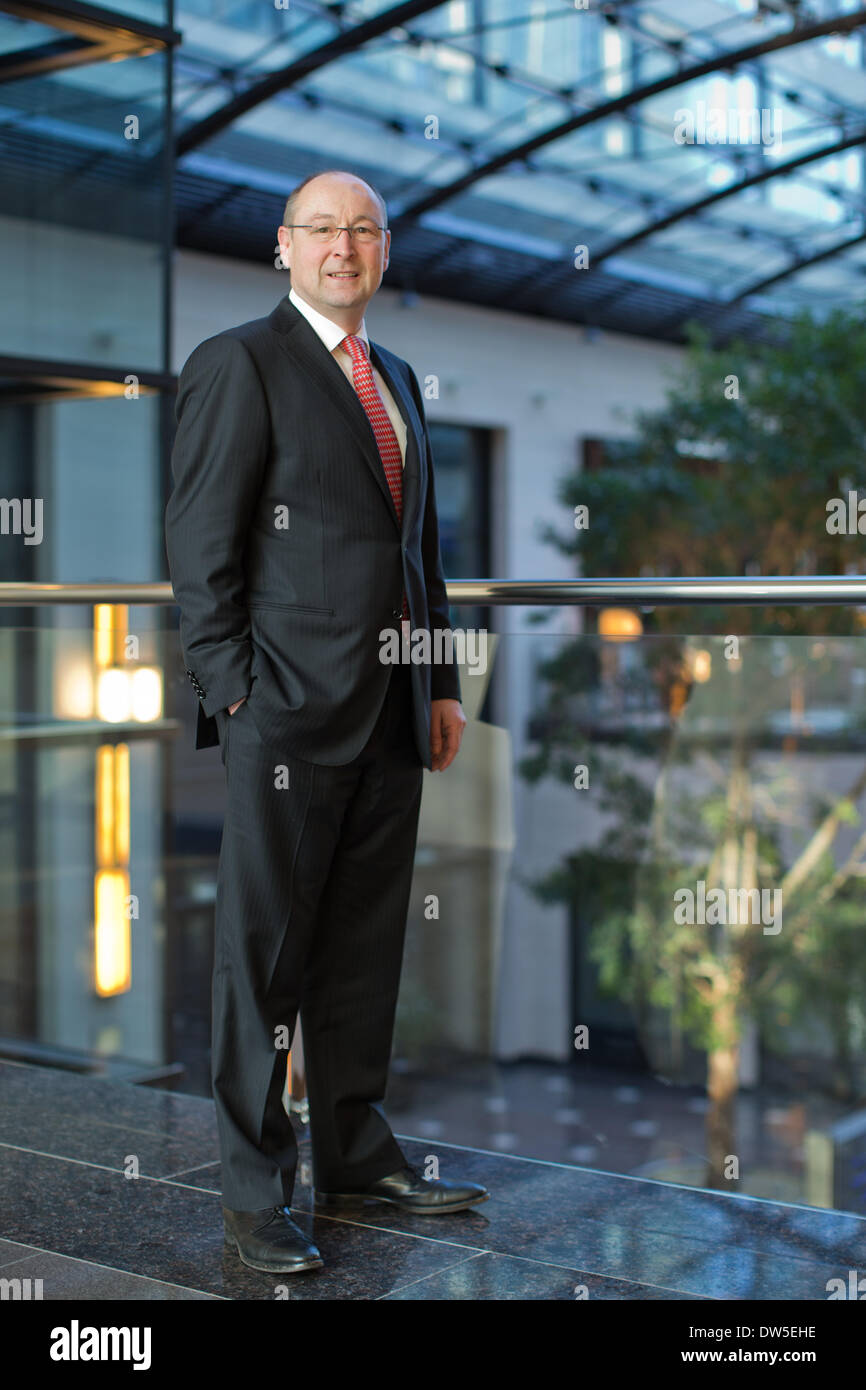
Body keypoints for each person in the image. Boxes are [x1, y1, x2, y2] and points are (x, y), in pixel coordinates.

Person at [164, 168, 488, 1275]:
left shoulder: (393, 376)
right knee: (261, 963)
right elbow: (200, 551)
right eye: (321, 229)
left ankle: (354, 1153)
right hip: (283, 719)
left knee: (360, 951)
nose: (342, 247)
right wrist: (236, 693)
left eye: (362, 230)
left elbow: (420, 553)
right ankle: (257, 1196)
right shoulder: (238, 365)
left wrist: (437, 679)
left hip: (393, 710)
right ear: (283, 247)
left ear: (384, 251)